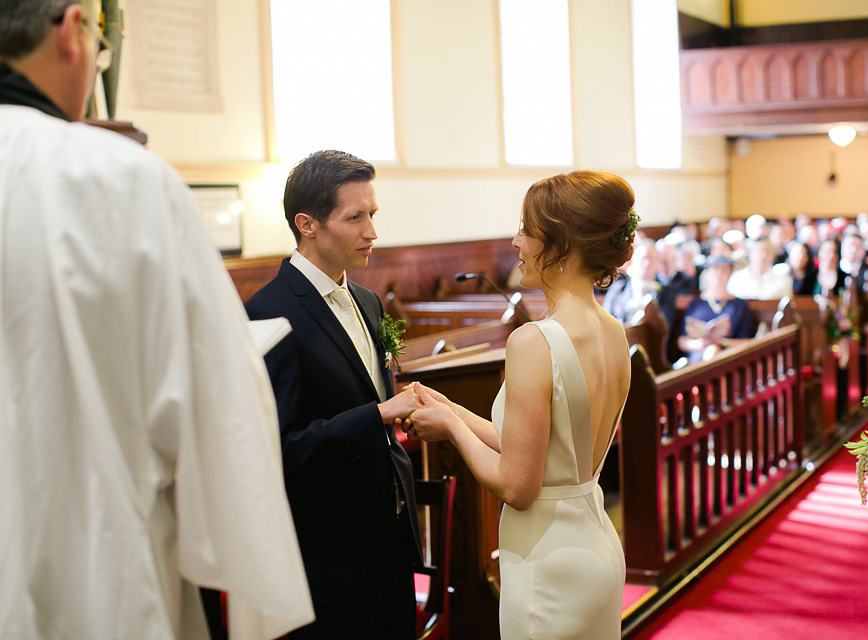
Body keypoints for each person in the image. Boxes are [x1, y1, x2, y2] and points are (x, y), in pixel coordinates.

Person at [0, 1, 314, 638]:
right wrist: (256, 602)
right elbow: (222, 402)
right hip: (99, 566)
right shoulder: (124, 180)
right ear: (73, 29)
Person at [402, 171, 633, 639]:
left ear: (561, 244)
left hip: (546, 561)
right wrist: (451, 408)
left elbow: (517, 486)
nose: (516, 241)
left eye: (526, 230)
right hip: (594, 544)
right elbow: (547, 452)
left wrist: (451, 427)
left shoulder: (535, 341)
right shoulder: (611, 329)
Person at [244, 150, 423, 640]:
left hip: (389, 539)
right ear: (308, 224)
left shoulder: (367, 300)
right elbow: (280, 450)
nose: (372, 232)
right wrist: (380, 413)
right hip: (327, 559)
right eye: (355, 217)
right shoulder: (267, 313)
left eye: (373, 215)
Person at [677, 255, 755, 364]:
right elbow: (682, 341)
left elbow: (747, 342)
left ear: (730, 274)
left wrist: (721, 342)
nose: (719, 275)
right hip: (697, 356)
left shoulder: (739, 305)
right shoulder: (695, 303)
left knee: (714, 351)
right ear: (708, 272)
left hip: (729, 357)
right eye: (715, 270)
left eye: (724, 271)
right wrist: (699, 344)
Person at [726, 238, 793, 300]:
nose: (763, 255)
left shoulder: (783, 280)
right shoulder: (736, 278)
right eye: (759, 251)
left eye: (768, 251)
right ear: (750, 253)